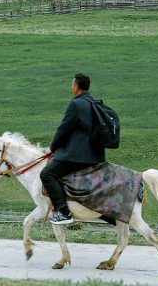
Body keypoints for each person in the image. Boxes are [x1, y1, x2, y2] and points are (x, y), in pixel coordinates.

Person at [40, 72, 105, 226]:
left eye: (72, 84)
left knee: (47, 174)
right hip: (96, 155)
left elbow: (63, 129)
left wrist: (52, 148)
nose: (72, 87)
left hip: (78, 156)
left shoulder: (75, 104)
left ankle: (63, 212)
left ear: (76, 86)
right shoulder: (95, 103)